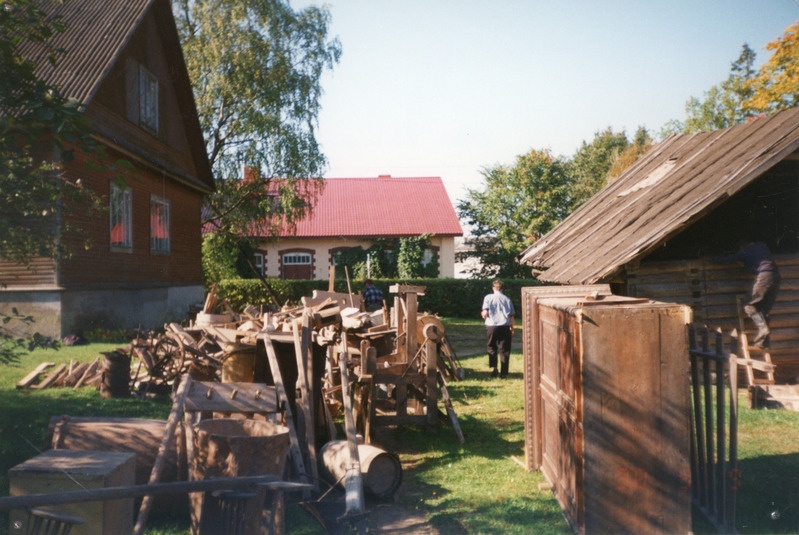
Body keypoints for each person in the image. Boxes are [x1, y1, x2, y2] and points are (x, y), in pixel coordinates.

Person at [714, 240, 780, 348]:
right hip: (776, 277)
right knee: (762, 309)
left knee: (749, 304)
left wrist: (714, 258)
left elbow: (727, 260)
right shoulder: (762, 246)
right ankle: (763, 343)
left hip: (764, 277)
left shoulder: (745, 251)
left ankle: (763, 329)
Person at [481, 279, 515, 378]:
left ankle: (494, 368)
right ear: (502, 289)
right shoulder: (507, 299)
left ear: (493, 288)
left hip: (491, 326)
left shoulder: (488, 297)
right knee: (504, 349)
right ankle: (504, 372)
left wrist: (484, 315)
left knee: (491, 346)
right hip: (504, 326)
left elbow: (485, 312)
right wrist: (512, 327)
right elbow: (511, 316)